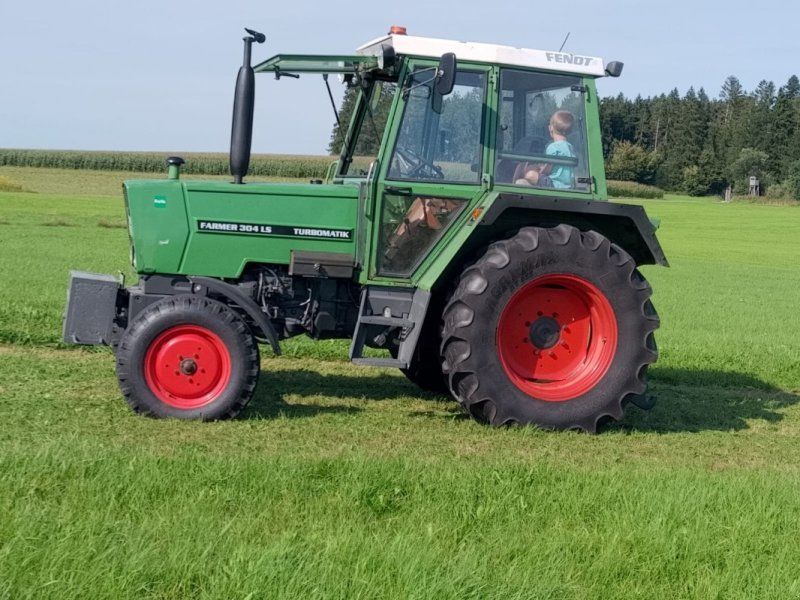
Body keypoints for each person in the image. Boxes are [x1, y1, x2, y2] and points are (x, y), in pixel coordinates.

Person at [545, 110, 577, 189]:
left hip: (553, 185)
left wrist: (538, 170)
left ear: (550, 128)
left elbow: (547, 169)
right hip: (568, 187)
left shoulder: (553, 147)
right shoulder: (570, 147)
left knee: (527, 178)